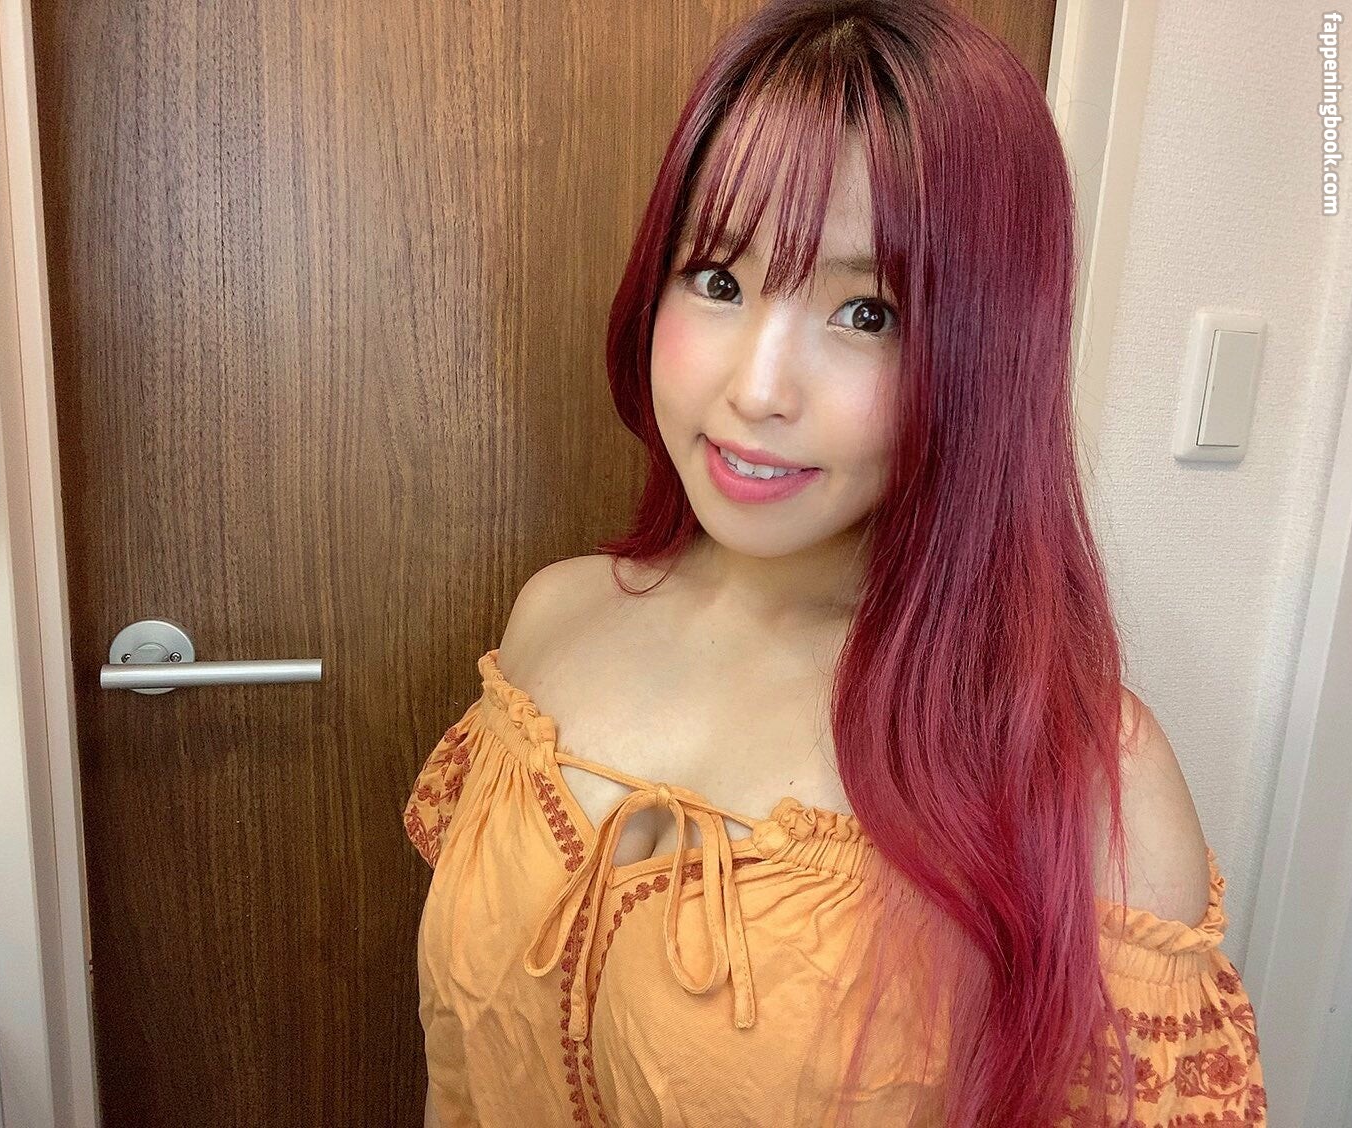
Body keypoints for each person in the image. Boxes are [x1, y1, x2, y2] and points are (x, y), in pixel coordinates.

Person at [404, 1, 1268, 1125]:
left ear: (984, 350)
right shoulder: (552, 623)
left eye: (866, 311)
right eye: (717, 280)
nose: (758, 388)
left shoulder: (1076, 773)